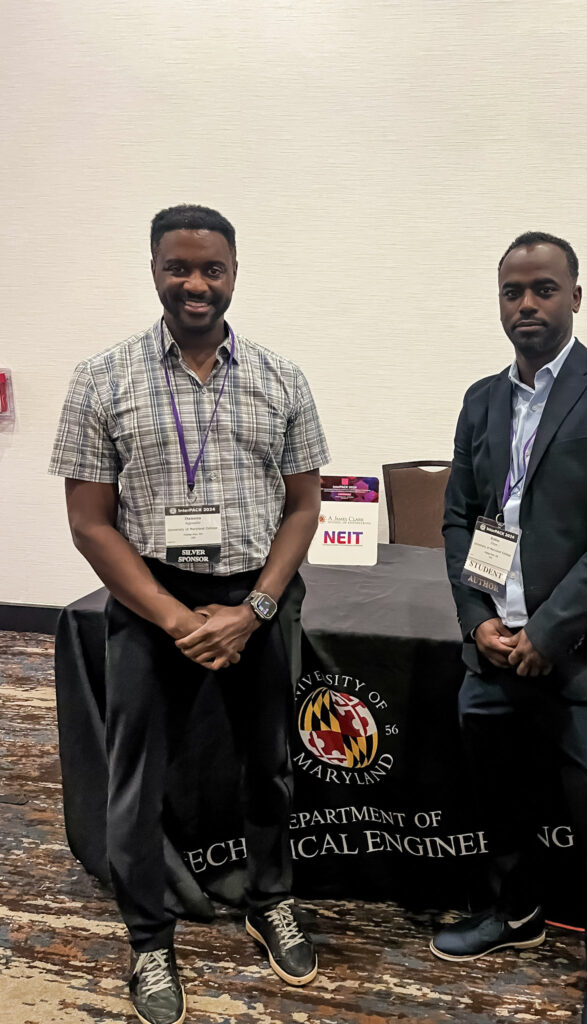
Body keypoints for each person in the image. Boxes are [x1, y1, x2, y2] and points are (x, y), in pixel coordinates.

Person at [50, 205, 330, 1024]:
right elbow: (90, 523)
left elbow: (304, 507)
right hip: (149, 599)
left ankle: (269, 898)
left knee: (270, 765)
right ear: (154, 270)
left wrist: (255, 609)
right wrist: (175, 619)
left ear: (236, 273)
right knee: (136, 782)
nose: (196, 284)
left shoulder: (282, 378)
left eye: (212, 269)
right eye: (180, 267)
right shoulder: (102, 378)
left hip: (259, 597)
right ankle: (148, 940)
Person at [433, 232, 587, 1024]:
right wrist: (479, 623)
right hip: (497, 648)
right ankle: (514, 914)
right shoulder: (480, 399)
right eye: (512, 291)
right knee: (499, 798)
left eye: (543, 289)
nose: (526, 304)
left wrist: (550, 631)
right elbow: (462, 520)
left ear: (574, 295)